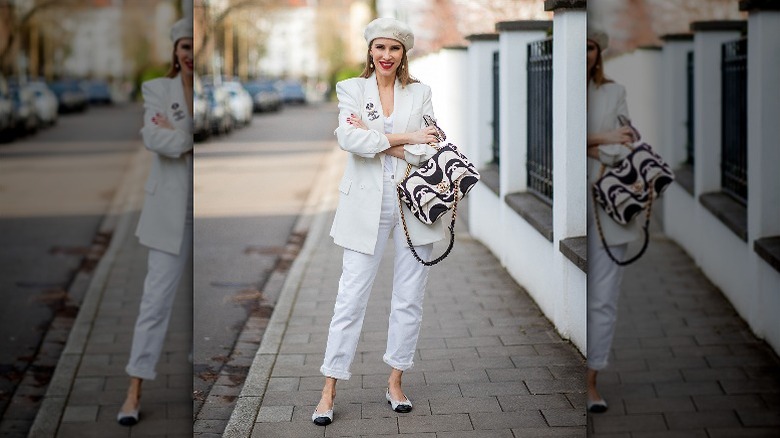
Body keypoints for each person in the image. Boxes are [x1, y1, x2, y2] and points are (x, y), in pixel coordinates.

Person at [311, 17, 443, 426]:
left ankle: (396, 381)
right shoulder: (351, 88)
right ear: (370, 50)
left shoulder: (420, 92)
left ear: (405, 53)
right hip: (364, 205)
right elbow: (349, 140)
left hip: (413, 202)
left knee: (409, 296)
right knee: (350, 299)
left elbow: (431, 148)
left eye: (395, 48)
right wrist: (406, 138)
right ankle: (329, 389)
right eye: (380, 47)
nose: (387, 56)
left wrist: (378, 139)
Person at [117, 17, 193, 426]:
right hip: (169, 215)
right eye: (185, 47)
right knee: (154, 304)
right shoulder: (157, 89)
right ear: (175, 50)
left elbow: (175, 139)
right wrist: (185, 138)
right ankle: (134, 390)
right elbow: (154, 138)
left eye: (197, 48)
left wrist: (178, 134)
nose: (190, 55)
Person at [585, 29, 642, 413]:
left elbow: (626, 147)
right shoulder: (559, 90)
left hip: (610, 204)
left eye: (589, 47)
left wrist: (591, 144)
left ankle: (591, 382)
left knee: (603, 298)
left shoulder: (613, 92)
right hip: (573, 207)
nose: (584, 54)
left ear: (598, 52)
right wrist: (603, 138)